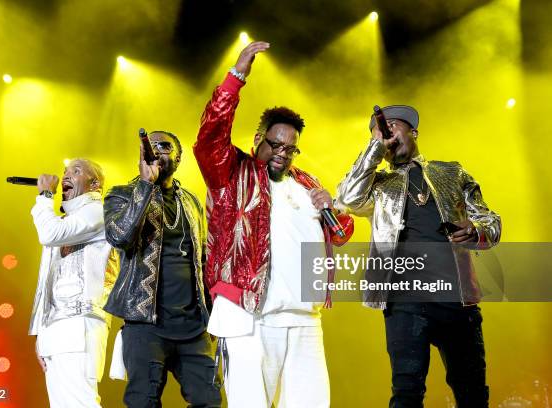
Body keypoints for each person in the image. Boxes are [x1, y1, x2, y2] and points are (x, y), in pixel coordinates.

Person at [193, 41, 354, 408]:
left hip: (304, 318)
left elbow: (342, 235)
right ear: (258, 141)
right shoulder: (233, 173)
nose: (282, 153)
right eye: (275, 144)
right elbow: (209, 139)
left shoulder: (307, 183)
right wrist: (237, 77)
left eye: (290, 148)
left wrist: (335, 210)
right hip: (250, 315)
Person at [335, 105, 501, 407]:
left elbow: (492, 222)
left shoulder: (452, 171)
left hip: (456, 299)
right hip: (404, 302)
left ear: (414, 132)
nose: (385, 133)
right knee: (407, 392)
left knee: (472, 391)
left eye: (393, 126)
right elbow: (346, 199)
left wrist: (476, 230)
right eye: (377, 132)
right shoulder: (379, 185)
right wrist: (374, 149)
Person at [103, 131, 221, 408]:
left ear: (178, 158)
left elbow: (202, 259)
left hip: (193, 326)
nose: (156, 150)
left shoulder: (190, 202)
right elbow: (119, 236)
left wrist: (212, 314)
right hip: (146, 324)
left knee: (210, 401)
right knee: (143, 402)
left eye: (164, 146)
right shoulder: (121, 195)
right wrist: (145, 185)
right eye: (150, 146)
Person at [29, 158, 118, 408]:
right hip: (59, 329)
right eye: (65, 172)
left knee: (81, 402)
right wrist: (43, 335)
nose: (66, 176)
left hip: (81, 325)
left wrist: (46, 195)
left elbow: (49, 234)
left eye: (75, 172)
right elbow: (49, 286)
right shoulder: (66, 220)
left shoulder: (97, 210)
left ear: (94, 184)